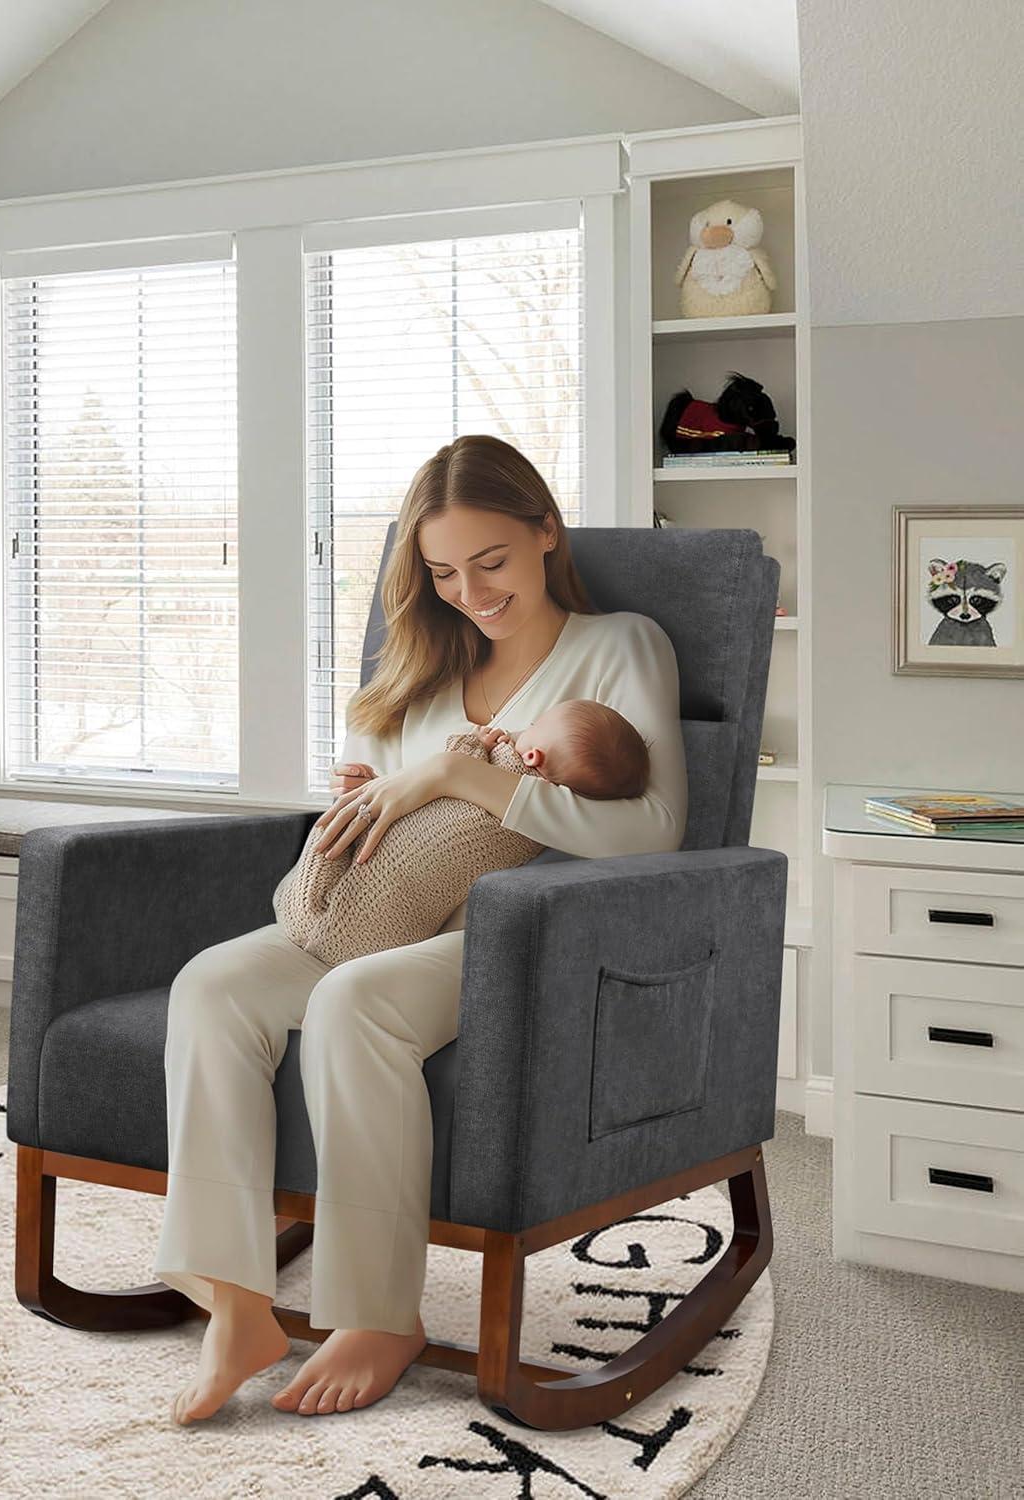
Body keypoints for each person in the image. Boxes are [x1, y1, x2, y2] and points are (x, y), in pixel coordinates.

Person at [154, 433, 689, 1426]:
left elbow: (653, 834)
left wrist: (459, 775)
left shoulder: (619, 646)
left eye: (491, 562)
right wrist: (359, 795)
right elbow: (376, 801)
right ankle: (237, 1307)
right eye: (444, 572)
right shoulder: (421, 665)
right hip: (376, 911)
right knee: (212, 986)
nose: (472, 591)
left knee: (359, 1003)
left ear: (544, 532)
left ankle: (377, 1316)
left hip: (529, 927)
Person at [273, 699, 652, 965]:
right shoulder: (537, 827)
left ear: (534, 756)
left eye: (534, 726)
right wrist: (380, 782)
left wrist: (474, 742)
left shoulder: (508, 775)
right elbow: (428, 806)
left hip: (329, 925)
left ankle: (308, 906)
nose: (520, 730)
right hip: (383, 943)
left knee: (341, 839)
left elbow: (453, 768)